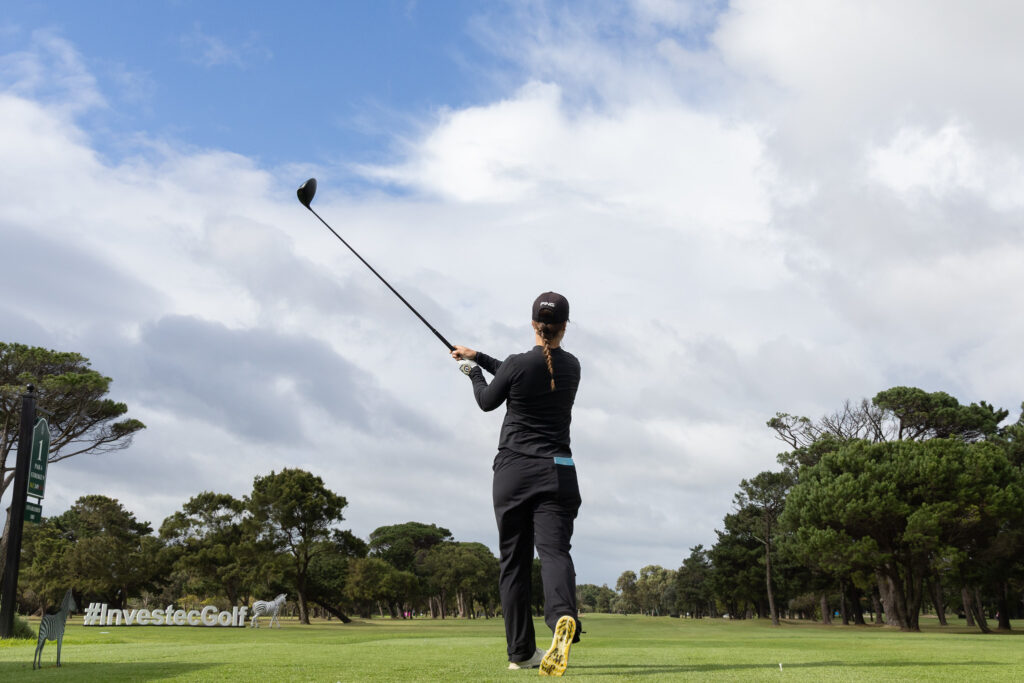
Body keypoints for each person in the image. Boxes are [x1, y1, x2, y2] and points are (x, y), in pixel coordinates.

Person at [451, 291, 582, 676]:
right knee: (555, 552)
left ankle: (521, 651)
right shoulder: (572, 366)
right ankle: (562, 616)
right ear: (564, 327)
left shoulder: (517, 365)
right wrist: (477, 354)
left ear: (532, 324)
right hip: (558, 471)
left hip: (513, 473)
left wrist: (474, 372)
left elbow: (489, 399)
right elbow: (519, 369)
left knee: (514, 564)